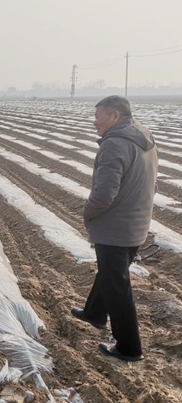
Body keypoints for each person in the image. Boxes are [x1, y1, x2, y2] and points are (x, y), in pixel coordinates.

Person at [71, 95, 157, 362]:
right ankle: (95, 313)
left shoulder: (114, 145)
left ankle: (129, 347)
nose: (95, 122)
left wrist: (88, 213)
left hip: (116, 227)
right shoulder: (143, 135)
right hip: (137, 221)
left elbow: (105, 193)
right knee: (111, 274)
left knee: (117, 284)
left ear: (115, 116)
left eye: (99, 116)